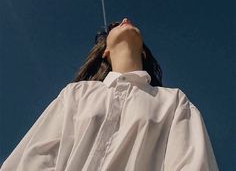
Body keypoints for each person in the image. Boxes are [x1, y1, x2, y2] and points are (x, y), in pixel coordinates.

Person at [1, 17, 219, 170]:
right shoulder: (76, 94)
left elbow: (192, 164)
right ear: (105, 51)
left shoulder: (172, 101)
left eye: (128, 22)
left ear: (143, 50)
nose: (125, 19)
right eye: (115, 25)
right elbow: (35, 158)